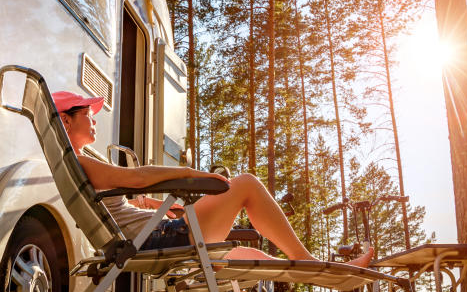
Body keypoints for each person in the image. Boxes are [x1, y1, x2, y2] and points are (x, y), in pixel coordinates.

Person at [52, 90, 374, 267]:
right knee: (245, 184)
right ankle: (309, 264)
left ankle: (318, 270)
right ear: (66, 122)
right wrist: (190, 174)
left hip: (159, 233)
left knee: (257, 257)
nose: (94, 119)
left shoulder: (84, 163)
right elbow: (138, 177)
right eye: (86, 114)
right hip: (162, 239)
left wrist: (158, 207)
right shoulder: (82, 164)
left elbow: (128, 203)